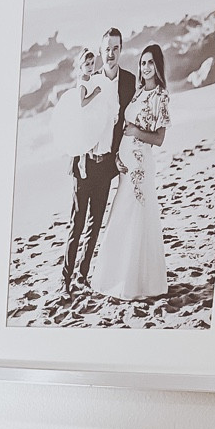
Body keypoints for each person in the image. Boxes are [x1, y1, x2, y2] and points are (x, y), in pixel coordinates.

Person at [91, 42, 170, 303]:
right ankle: (115, 276)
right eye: (143, 62)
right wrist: (116, 155)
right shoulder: (137, 94)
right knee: (121, 216)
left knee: (137, 216)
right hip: (125, 166)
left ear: (158, 66)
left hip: (140, 167)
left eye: (150, 63)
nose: (145, 67)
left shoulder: (160, 96)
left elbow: (159, 139)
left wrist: (136, 133)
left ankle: (138, 281)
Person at [62, 26, 134, 294]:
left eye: (116, 48)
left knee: (95, 225)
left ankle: (82, 275)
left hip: (107, 166)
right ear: (101, 51)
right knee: (77, 224)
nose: (111, 53)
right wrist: (80, 156)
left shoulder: (128, 81)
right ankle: (65, 279)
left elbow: (129, 120)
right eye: (107, 49)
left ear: (121, 50)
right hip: (84, 164)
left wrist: (123, 157)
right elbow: (76, 122)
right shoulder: (88, 79)